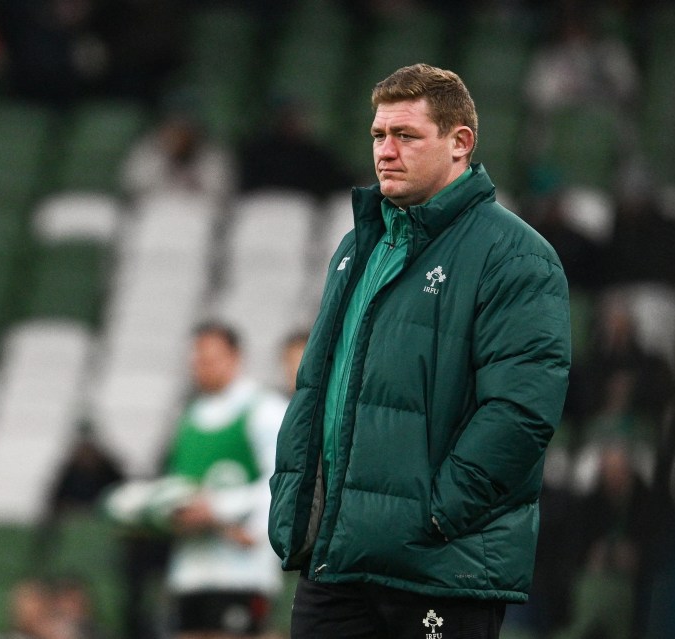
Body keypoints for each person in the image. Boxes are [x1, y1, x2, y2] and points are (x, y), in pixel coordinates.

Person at [268, 64, 571, 639]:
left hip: (438, 566)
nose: (386, 150)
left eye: (406, 136)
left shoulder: (515, 257)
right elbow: (318, 388)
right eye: (379, 135)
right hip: (338, 560)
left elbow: (521, 413)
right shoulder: (358, 246)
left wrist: (434, 512)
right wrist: (295, 497)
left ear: (460, 144)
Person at [103, 322, 287, 638]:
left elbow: (282, 481)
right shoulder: (188, 418)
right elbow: (178, 486)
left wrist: (221, 511)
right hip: (191, 570)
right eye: (197, 360)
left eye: (210, 359)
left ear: (235, 357)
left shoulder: (265, 410)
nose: (202, 367)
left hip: (242, 570)